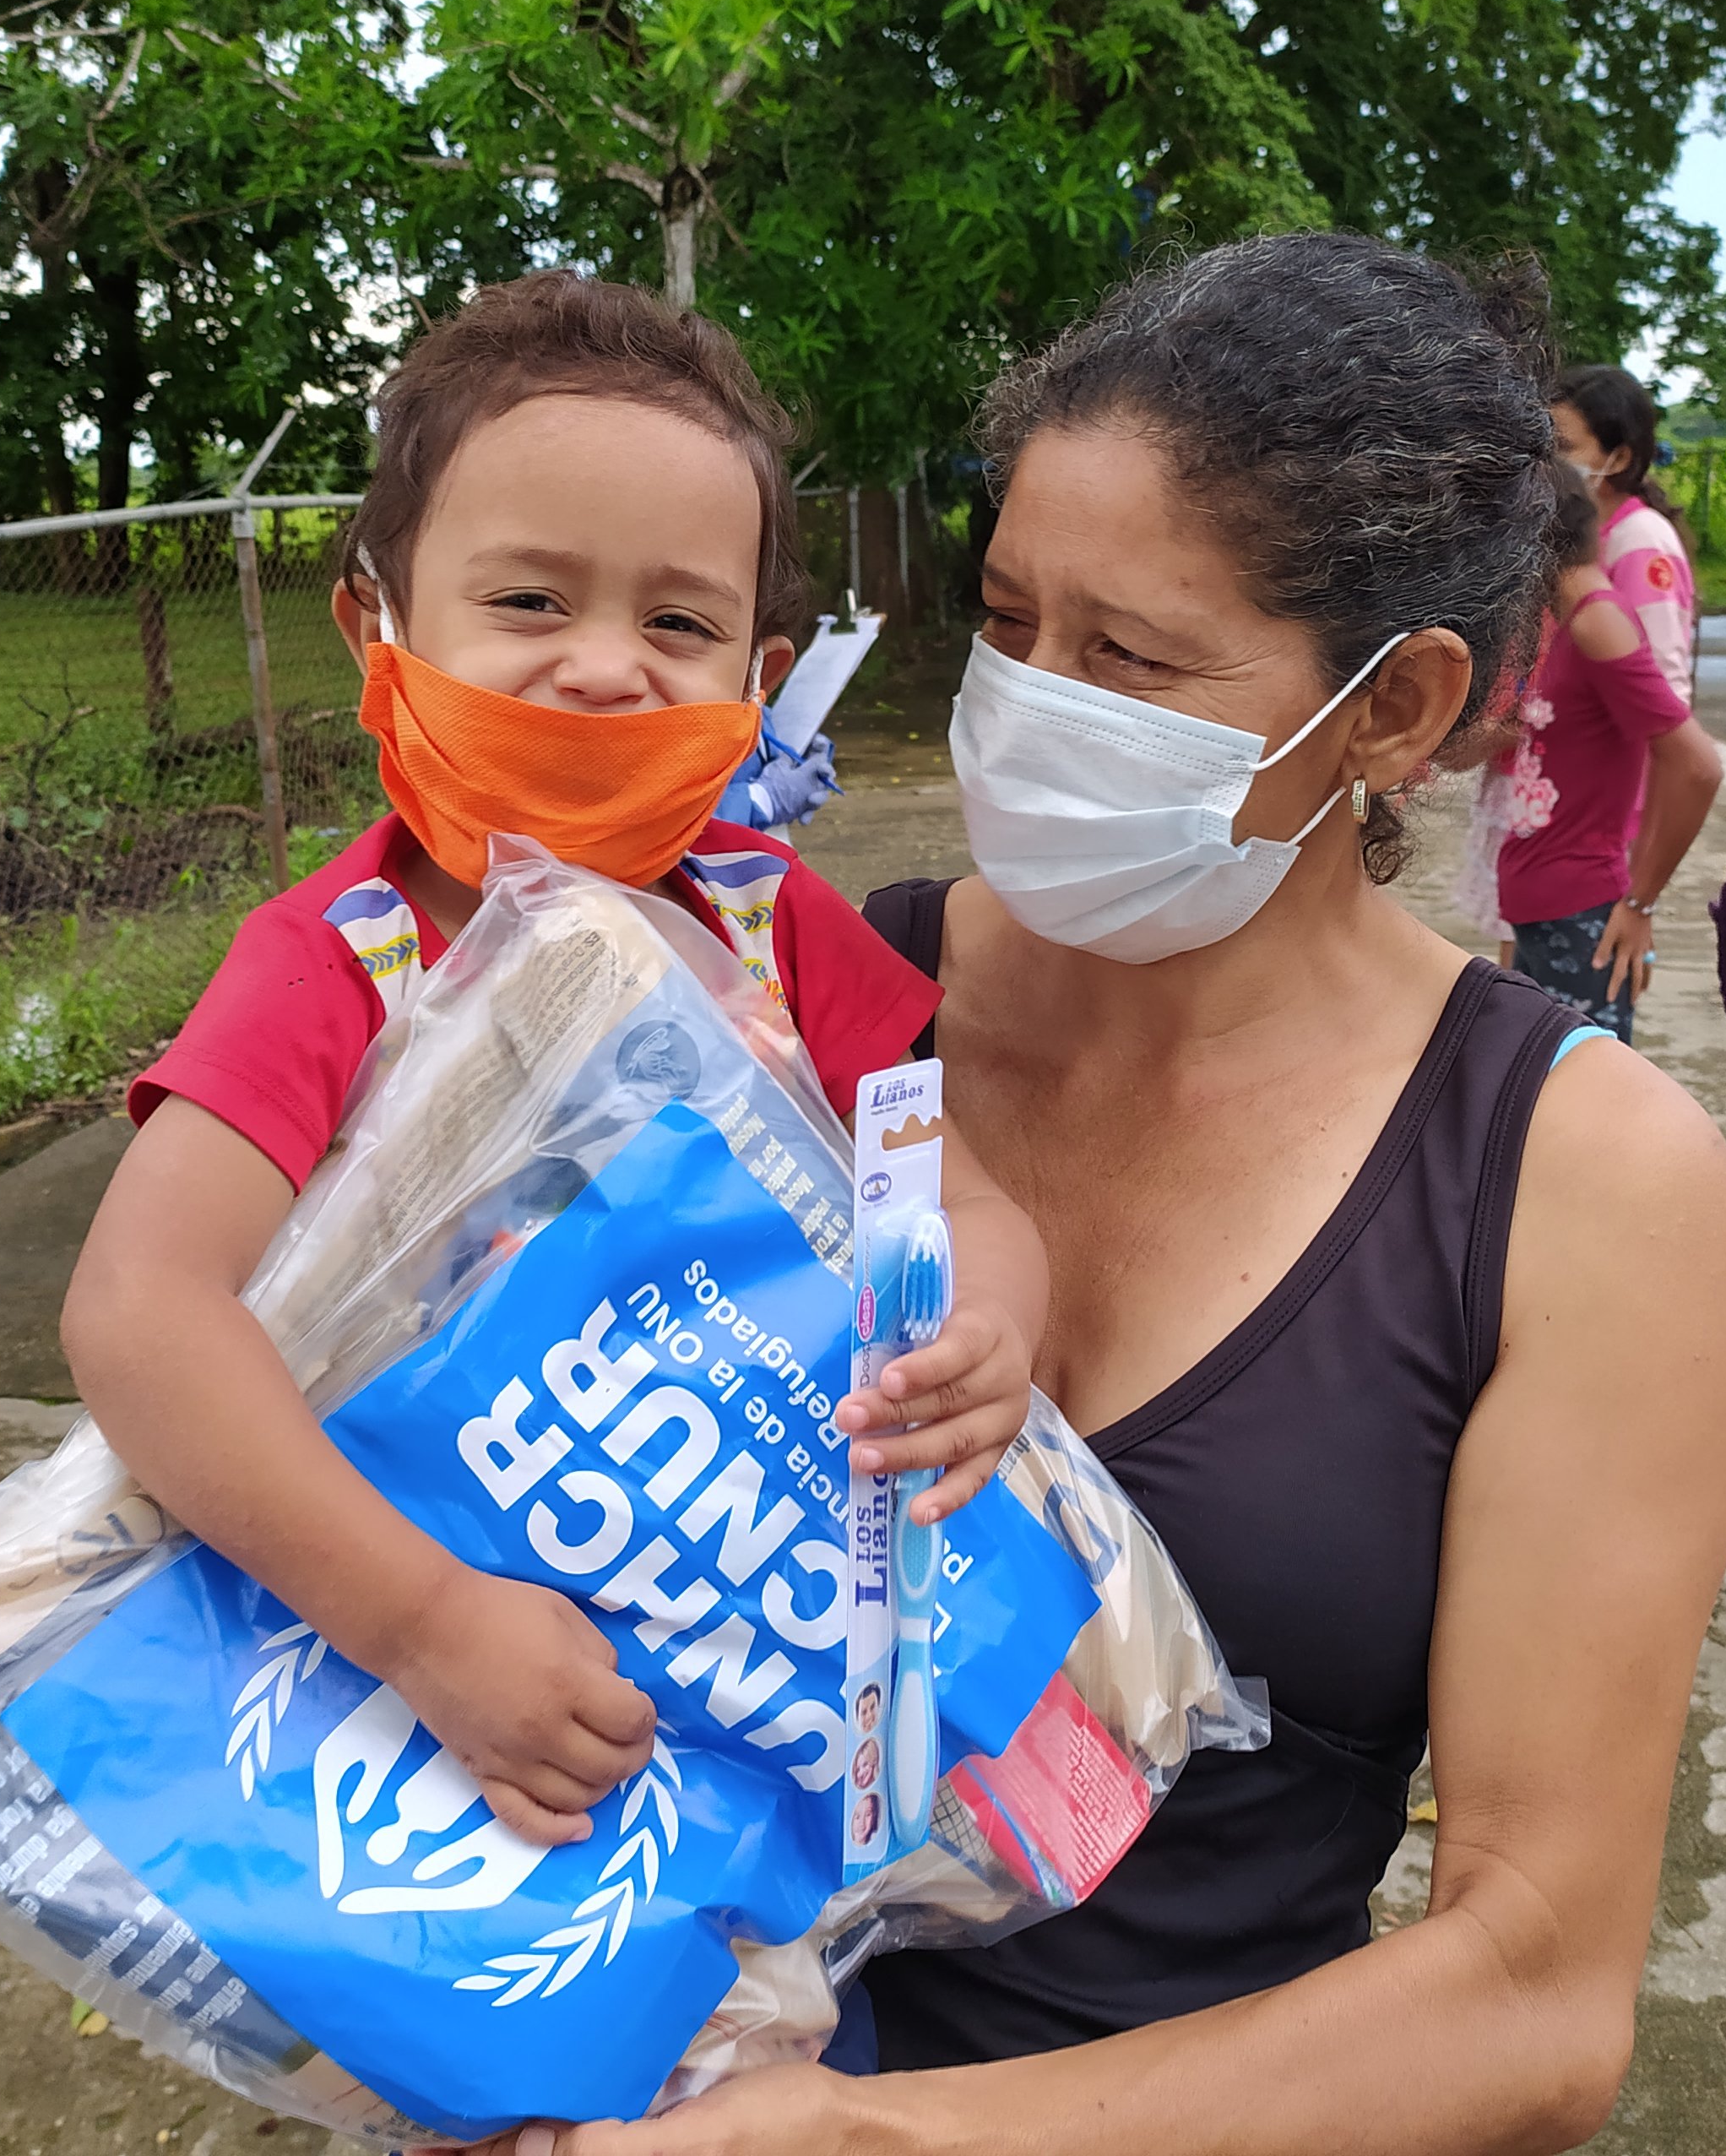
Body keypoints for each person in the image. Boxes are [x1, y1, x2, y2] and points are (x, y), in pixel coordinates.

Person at [518, 236, 1726, 2156]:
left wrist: (872, 2143)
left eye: (1127, 656)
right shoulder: (796, 998)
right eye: (1008, 619)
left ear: (1394, 707)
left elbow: (1534, 1983)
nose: (1025, 698)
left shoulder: (1571, 1180)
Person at [59, 271, 1050, 1853]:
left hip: (746, 1617)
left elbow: (963, 1202)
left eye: (679, 622)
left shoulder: (774, 923)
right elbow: (138, 1314)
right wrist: (423, 1627)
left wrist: (985, 1328)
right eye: (530, 602)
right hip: (436, 1670)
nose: (606, 669)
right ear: (372, 623)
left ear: (757, 671)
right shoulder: (336, 962)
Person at [1491, 470, 1726, 1040]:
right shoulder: (1562, 620)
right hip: (1542, 902)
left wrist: (1640, 902)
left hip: (1581, 910)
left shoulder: (1599, 622)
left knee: (1580, 1100)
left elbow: (1696, 764)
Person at [1548, 363, 1696, 702]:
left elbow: (1662, 685)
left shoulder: (1640, 542)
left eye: (1563, 447)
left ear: (1618, 459)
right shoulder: (1569, 531)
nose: (1547, 462)